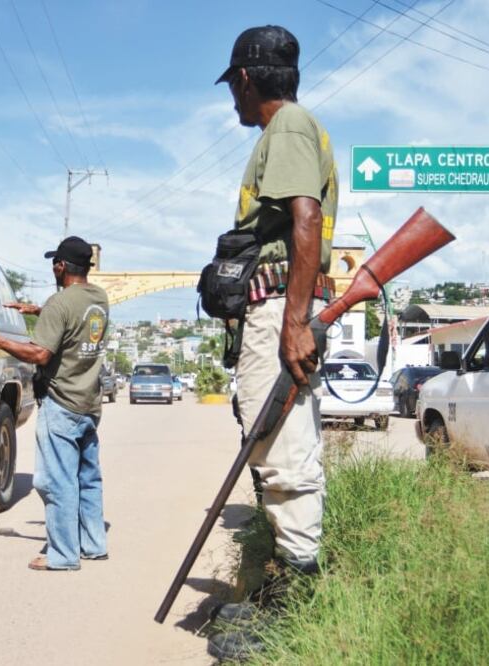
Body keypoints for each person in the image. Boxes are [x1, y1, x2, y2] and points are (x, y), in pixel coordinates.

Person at [208, 25, 338, 659]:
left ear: (245, 79)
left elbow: (305, 216)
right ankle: (285, 587)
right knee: (270, 445)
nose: (233, 97)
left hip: (276, 310)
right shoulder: (287, 131)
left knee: (284, 453)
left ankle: (297, 612)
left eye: (233, 84)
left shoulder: (285, 127)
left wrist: (291, 323)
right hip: (272, 310)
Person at [0, 236, 110, 571]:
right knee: (87, 478)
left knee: (56, 481)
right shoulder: (98, 298)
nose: (53, 269)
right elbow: (75, 320)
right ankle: (93, 544)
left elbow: (40, 354)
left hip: (62, 404)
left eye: (54, 263)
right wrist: (40, 312)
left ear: (61, 266)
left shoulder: (60, 303)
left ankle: (62, 556)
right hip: (89, 404)